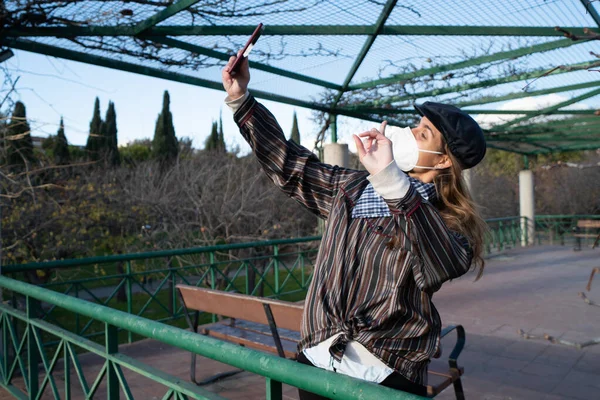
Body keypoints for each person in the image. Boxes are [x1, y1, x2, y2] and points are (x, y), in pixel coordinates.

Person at [222, 54, 487, 399]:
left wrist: (391, 180)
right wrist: (241, 99)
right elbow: (290, 165)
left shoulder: (448, 221)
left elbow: (442, 260)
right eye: (414, 124)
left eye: (422, 133)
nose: (407, 133)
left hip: (383, 375)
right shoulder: (353, 187)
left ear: (442, 161)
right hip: (316, 360)